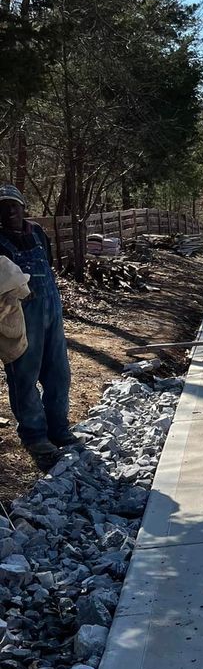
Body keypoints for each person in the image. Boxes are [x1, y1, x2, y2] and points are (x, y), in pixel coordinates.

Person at [0, 184, 75, 468]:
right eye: (2, 206)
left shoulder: (38, 234)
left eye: (13, 205)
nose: (8, 211)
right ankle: (35, 435)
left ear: (23, 208)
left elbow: (51, 264)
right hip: (19, 315)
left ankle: (60, 429)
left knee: (59, 373)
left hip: (51, 312)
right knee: (24, 376)